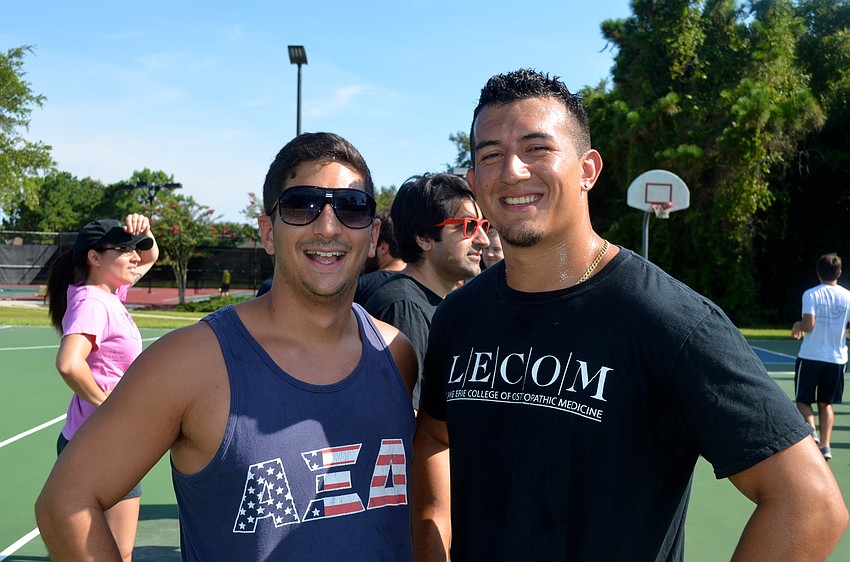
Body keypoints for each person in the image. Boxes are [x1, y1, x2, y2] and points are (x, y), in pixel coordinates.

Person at [411, 69, 847, 561]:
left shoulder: (669, 322)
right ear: (474, 181)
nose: (512, 170)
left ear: (587, 169)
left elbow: (810, 503)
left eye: (537, 148)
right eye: (490, 155)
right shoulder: (459, 316)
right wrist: (431, 537)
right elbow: (432, 433)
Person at [36, 132, 418, 561]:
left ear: (372, 234)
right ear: (268, 231)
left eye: (351, 208)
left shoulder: (397, 354)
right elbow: (65, 502)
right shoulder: (190, 363)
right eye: (301, 205)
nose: (328, 226)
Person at [43, 213, 159, 562]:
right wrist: (110, 407)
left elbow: (150, 256)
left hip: (103, 441)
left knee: (105, 553)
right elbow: (68, 363)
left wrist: (145, 232)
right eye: (124, 250)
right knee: (109, 555)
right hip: (99, 444)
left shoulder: (109, 292)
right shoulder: (93, 302)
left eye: (133, 249)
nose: (135, 257)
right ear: (95, 257)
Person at [364, 173, 489, 408]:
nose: (483, 240)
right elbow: (406, 424)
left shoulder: (440, 304)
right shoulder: (403, 307)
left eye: (483, 225)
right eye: (469, 226)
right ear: (424, 238)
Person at [791, 252, 850, 461]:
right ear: (839, 273)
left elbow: (808, 325)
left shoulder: (811, 294)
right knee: (826, 403)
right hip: (836, 359)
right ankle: (826, 446)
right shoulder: (848, 296)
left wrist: (796, 326)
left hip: (811, 356)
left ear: (818, 273)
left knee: (803, 401)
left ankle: (812, 433)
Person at [354, 208, 406, 305]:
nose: (367, 250)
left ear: (383, 248)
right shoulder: (420, 285)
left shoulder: (363, 285)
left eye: (370, 244)